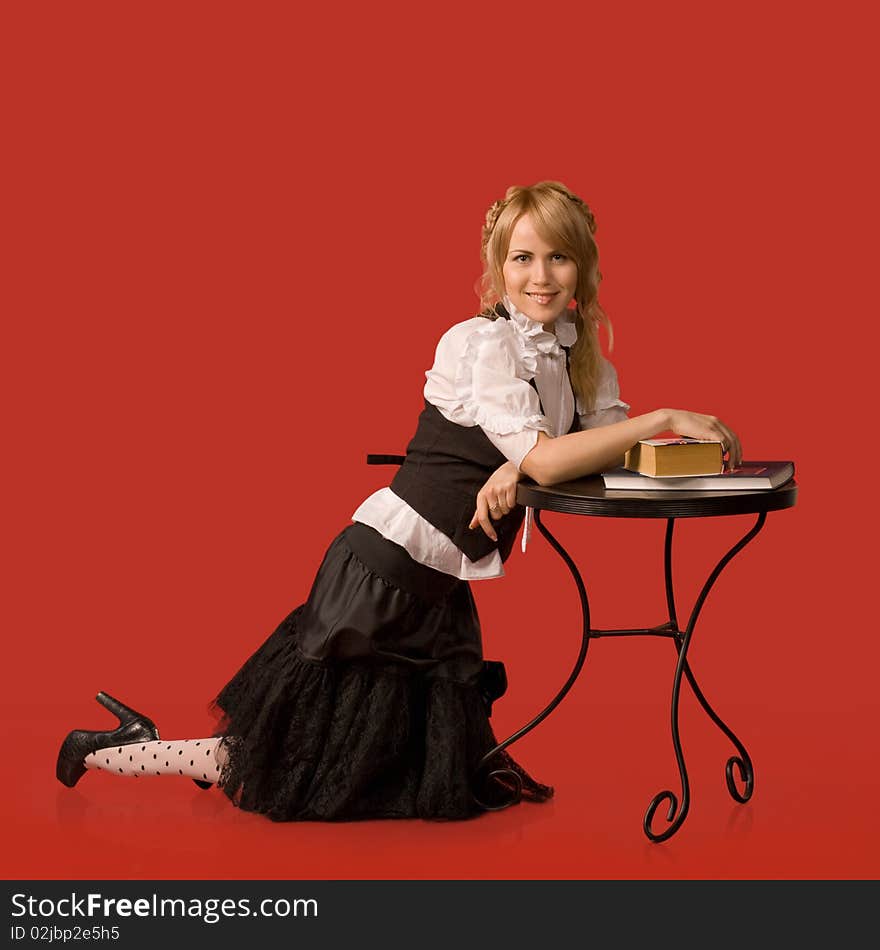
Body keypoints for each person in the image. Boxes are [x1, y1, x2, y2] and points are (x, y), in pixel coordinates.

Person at [55, 181, 742, 822]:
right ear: (497, 266)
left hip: (435, 589)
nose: (541, 275)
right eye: (523, 257)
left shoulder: (576, 355)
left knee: (377, 768)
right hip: (383, 573)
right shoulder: (482, 344)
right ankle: (112, 747)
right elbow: (546, 453)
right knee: (284, 761)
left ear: (584, 268)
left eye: (559, 257)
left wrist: (522, 476)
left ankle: (157, 748)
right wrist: (654, 422)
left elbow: (584, 449)